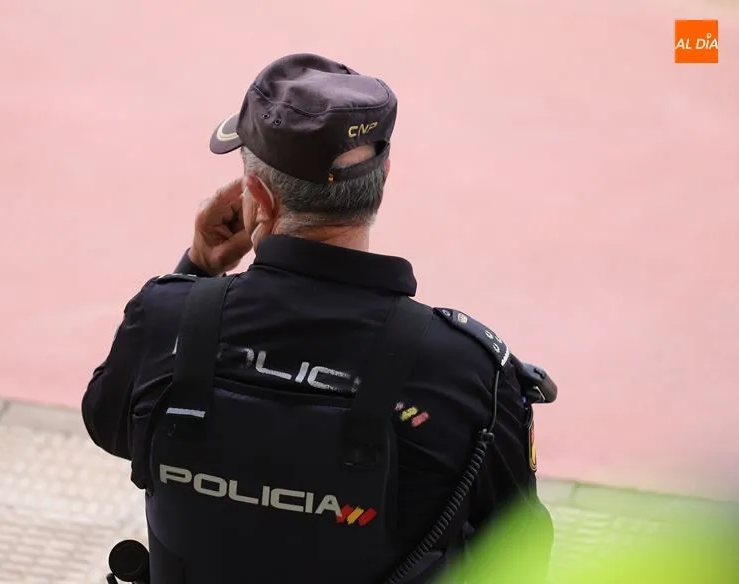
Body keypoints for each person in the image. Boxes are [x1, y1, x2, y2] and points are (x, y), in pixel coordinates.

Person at [82, 53, 555, 584]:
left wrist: (199, 269)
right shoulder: (465, 369)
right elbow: (521, 553)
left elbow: (112, 425)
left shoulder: (166, 318)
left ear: (256, 196)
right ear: (383, 178)